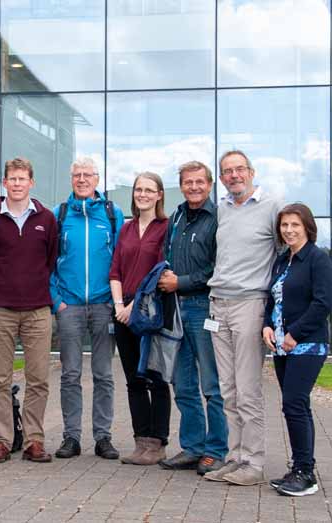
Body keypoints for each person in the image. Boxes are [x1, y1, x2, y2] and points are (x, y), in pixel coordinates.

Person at [204, 150, 283, 486]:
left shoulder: (273, 206)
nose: (234, 175)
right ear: (221, 178)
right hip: (217, 304)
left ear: (252, 171)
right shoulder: (221, 209)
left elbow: (287, 250)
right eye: (227, 171)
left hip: (249, 304)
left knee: (248, 389)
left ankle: (254, 463)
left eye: (239, 170)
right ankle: (235, 458)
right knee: (228, 389)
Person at [0, 157, 58, 464]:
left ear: (31, 182)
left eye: (23, 179)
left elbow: (50, 260)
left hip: (37, 309)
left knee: (39, 379)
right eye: (13, 179)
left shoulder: (47, 219)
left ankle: (34, 440)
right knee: (0, 379)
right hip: (0, 310)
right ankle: (2, 441)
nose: (18, 183)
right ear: (4, 183)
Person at [50, 157, 124, 460]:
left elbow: (121, 259)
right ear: (71, 179)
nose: (82, 179)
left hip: (104, 304)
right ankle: (71, 437)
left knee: (104, 374)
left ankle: (103, 437)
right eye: (77, 175)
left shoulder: (111, 213)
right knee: (70, 374)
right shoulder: (60, 214)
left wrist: (114, 298)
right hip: (69, 306)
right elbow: (47, 262)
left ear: (97, 179)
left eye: (87, 175)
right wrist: (57, 301)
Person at [157, 161, 228, 476]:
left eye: (200, 182)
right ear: (182, 185)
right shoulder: (176, 217)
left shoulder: (218, 219)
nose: (194, 187)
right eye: (188, 182)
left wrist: (181, 282)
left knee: (211, 384)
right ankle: (193, 447)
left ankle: (215, 450)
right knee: (182, 383)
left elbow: (218, 268)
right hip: (174, 309)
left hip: (202, 307)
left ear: (210, 185)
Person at [262, 203, 332, 497]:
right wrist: (267, 326)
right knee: (295, 406)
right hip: (282, 346)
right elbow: (272, 300)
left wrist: (294, 333)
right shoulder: (282, 260)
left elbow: (322, 304)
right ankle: (299, 468)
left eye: (295, 225)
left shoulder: (318, 259)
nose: (289, 230)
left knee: (294, 403)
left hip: (307, 344)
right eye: (284, 225)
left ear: (307, 227)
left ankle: (306, 473)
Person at [109, 172, 170, 466]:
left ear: (159, 195)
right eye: (138, 189)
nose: (142, 194)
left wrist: (134, 306)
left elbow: (158, 272)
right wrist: (120, 305)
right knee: (133, 379)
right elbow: (115, 270)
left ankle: (158, 443)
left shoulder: (166, 228)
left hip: (150, 311)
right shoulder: (126, 228)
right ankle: (141, 442)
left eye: (149, 190)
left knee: (156, 378)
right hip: (123, 312)